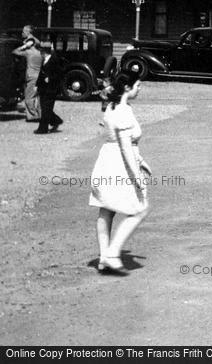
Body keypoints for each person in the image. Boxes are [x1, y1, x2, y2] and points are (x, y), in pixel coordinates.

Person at [89, 72, 151, 274]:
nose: (140, 89)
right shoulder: (123, 111)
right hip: (120, 165)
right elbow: (125, 147)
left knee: (106, 210)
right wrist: (137, 176)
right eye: (138, 85)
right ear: (127, 87)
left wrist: (141, 160)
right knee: (140, 209)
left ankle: (103, 257)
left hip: (107, 160)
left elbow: (122, 142)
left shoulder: (112, 106)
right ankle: (112, 254)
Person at [12, 25, 42, 122]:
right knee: (38, 97)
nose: (22, 33)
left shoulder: (28, 52)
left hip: (31, 76)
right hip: (39, 76)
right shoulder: (40, 53)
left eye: (24, 31)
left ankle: (32, 116)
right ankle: (40, 114)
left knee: (29, 96)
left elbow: (15, 52)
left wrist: (23, 46)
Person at [34, 41, 63, 134]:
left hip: (51, 89)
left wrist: (50, 78)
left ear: (44, 52)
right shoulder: (45, 60)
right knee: (45, 107)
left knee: (46, 108)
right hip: (43, 88)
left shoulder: (55, 60)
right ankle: (56, 120)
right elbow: (41, 73)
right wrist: (36, 85)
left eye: (41, 52)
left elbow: (59, 74)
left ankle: (43, 129)